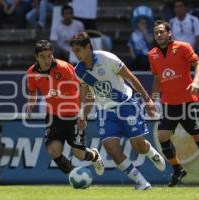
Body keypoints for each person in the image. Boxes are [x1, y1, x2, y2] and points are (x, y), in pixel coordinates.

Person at [70, 32, 166, 190]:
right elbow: (87, 95)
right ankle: (142, 183)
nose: (77, 54)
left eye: (79, 50)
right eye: (74, 51)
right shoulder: (79, 71)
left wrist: (147, 99)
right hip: (105, 111)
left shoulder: (107, 58)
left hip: (126, 104)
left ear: (88, 47)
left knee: (139, 147)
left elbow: (130, 77)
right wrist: (83, 115)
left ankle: (150, 152)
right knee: (110, 147)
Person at [148, 20, 199, 187]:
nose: (159, 35)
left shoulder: (183, 47)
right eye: (156, 33)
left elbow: (198, 64)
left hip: (188, 101)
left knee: (198, 137)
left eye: (161, 32)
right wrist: (153, 99)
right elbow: (157, 79)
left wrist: (196, 81)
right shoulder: (152, 54)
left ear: (169, 32)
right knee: (162, 136)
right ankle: (178, 169)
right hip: (169, 104)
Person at [26, 40, 104, 176]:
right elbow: (32, 90)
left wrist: (82, 113)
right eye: (43, 57)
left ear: (53, 54)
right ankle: (75, 176)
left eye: (49, 55)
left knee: (79, 154)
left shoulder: (64, 68)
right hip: (53, 116)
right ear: (36, 57)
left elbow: (82, 87)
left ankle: (95, 156)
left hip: (73, 115)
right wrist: (31, 103)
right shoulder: (31, 72)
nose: (47, 60)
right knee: (53, 150)